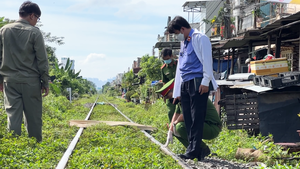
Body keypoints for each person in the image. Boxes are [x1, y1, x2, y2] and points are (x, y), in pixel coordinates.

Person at [168, 16, 218, 161]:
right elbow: (180, 68)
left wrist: (205, 80)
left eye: (176, 33)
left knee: (197, 117)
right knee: (188, 118)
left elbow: (207, 60)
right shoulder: (184, 42)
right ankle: (193, 148)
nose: (176, 36)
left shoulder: (200, 38)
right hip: (185, 83)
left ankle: (194, 150)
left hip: (197, 82)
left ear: (182, 29)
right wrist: (177, 92)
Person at [0, 1, 49, 142]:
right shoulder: (35, 33)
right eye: (37, 18)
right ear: (32, 15)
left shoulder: (4, 30)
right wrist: (45, 82)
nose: (37, 22)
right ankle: (35, 146)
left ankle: (15, 146)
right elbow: (42, 60)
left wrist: (0, 81)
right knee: (33, 116)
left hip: (10, 81)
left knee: (13, 115)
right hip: (31, 82)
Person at [156, 79, 221, 160]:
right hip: (201, 125)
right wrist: (170, 131)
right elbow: (176, 114)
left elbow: (186, 116)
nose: (170, 100)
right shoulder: (180, 100)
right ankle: (194, 151)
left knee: (180, 127)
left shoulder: (190, 96)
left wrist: (176, 122)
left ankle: (203, 149)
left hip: (212, 127)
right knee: (175, 128)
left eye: (169, 97)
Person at [160, 48, 178, 122]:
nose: (166, 61)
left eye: (167, 58)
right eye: (164, 59)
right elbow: (165, 82)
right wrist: (165, 94)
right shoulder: (163, 68)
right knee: (171, 112)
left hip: (180, 91)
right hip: (170, 93)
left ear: (171, 56)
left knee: (180, 111)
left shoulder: (179, 64)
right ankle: (172, 129)